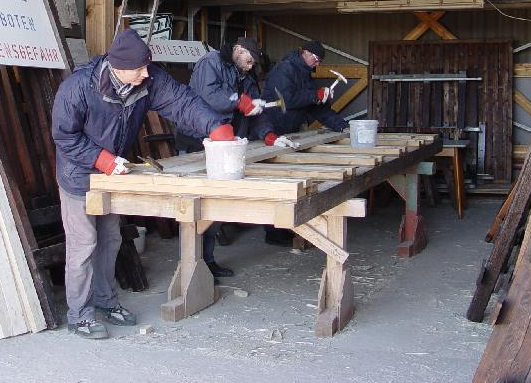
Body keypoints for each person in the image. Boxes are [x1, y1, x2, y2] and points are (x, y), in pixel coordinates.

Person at [51, 29, 234, 339]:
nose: (147, 73)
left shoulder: (147, 80)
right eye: (140, 68)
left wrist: (215, 127)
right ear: (118, 66)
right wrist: (103, 159)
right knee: (84, 245)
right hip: (79, 175)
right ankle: (79, 315)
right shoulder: (78, 88)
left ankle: (106, 302)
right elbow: (64, 137)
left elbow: (182, 102)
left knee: (110, 241)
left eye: (147, 67)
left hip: (113, 175)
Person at [176, 37, 296, 278]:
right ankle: (193, 265)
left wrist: (270, 136)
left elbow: (255, 114)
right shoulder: (210, 63)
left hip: (225, 145)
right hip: (197, 140)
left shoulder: (247, 76)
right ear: (238, 50)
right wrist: (241, 103)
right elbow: (209, 96)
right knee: (196, 206)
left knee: (216, 204)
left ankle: (207, 262)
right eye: (249, 60)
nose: (252, 66)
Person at [260, 40, 347, 246]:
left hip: (289, 133)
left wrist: (341, 125)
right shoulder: (285, 69)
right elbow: (286, 100)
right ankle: (273, 233)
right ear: (305, 53)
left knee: (288, 182)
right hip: (270, 132)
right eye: (316, 59)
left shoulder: (305, 73)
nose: (317, 64)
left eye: (319, 61)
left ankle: (284, 228)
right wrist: (314, 95)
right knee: (274, 183)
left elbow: (313, 107)